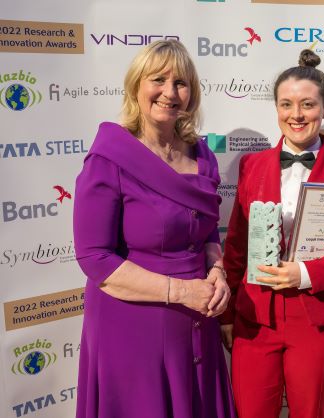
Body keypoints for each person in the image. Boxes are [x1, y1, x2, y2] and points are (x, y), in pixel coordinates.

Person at [73, 40, 236, 418]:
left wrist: (217, 271)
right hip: (132, 329)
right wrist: (182, 291)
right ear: (136, 86)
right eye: (158, 80)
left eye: (180, 83)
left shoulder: (203, 155)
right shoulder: (109, 157)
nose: (169, 92)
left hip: (197, 325)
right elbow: (95, 258)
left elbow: (207, 230)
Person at [220, 49, 324, 418]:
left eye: (307, 104)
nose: (296, 115)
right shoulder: (251, 164)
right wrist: (227, 314)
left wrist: (306, 273)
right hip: (254, 318)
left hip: (316, 319)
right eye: (286, 104)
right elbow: (237, 245)